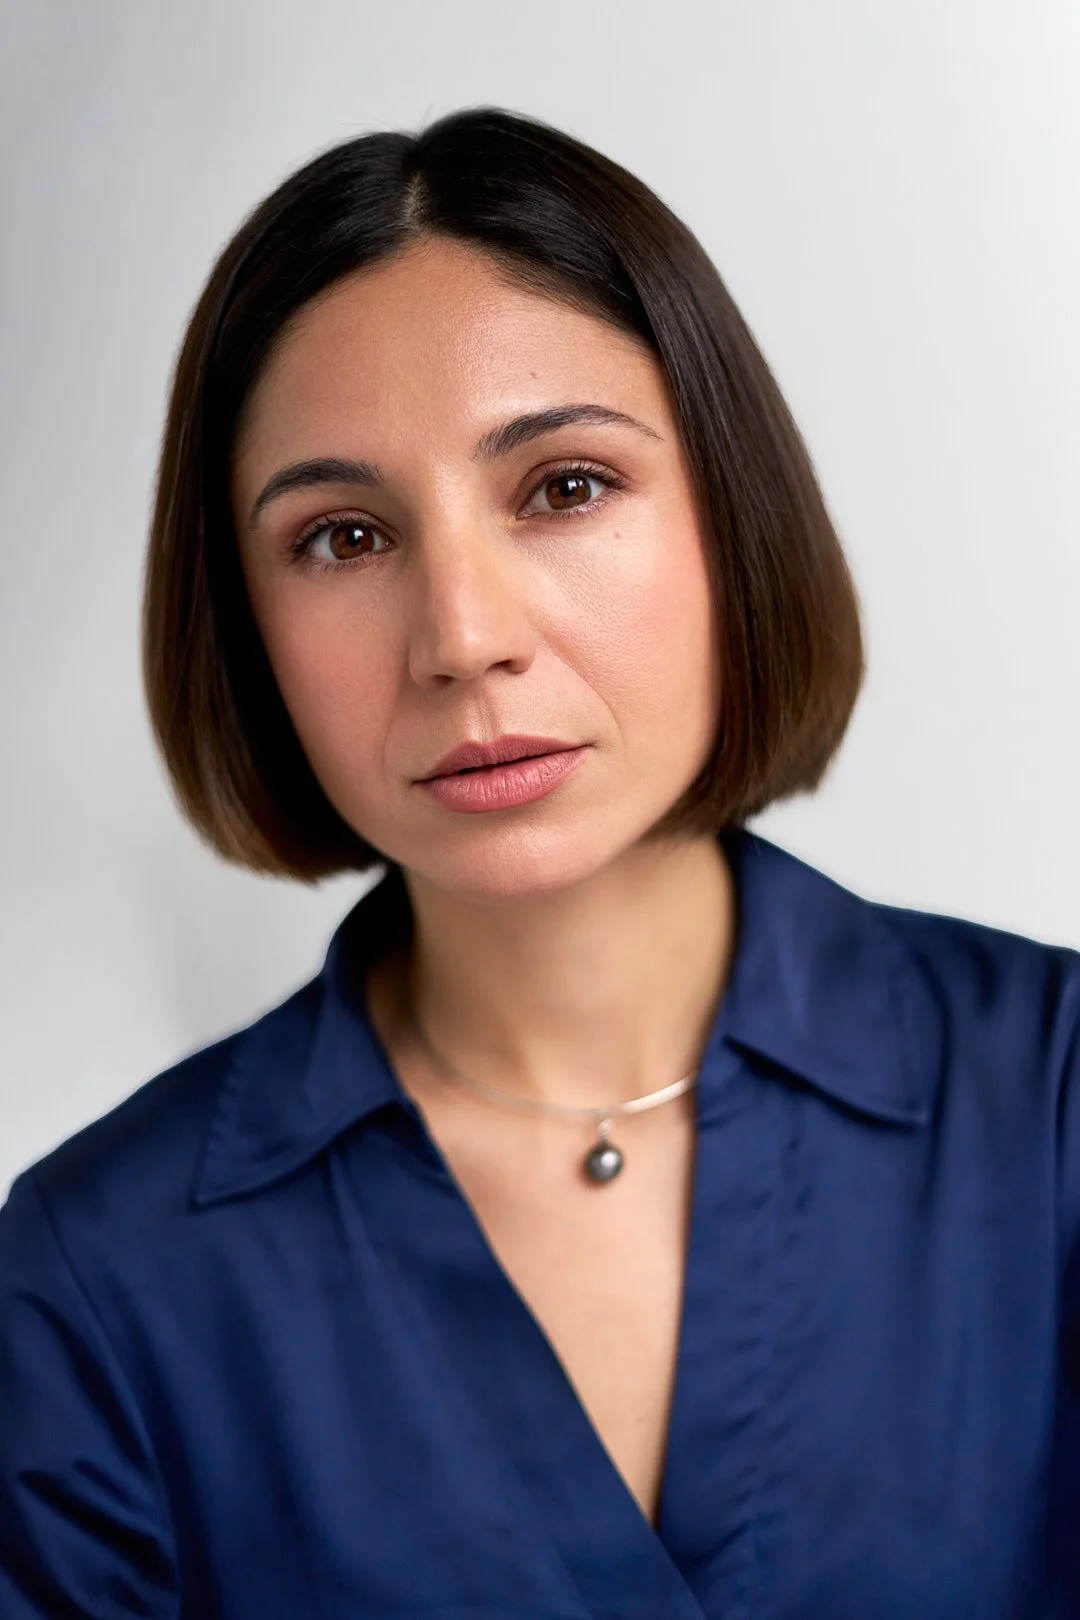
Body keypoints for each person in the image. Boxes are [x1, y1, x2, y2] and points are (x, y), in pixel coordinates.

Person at [0, 105, 1076, 1620]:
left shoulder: (1055, 1099)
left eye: (564, 487)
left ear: (730, 512)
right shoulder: (92, 1279)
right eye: (342, 538)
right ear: (243, 625)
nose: (462, 637)